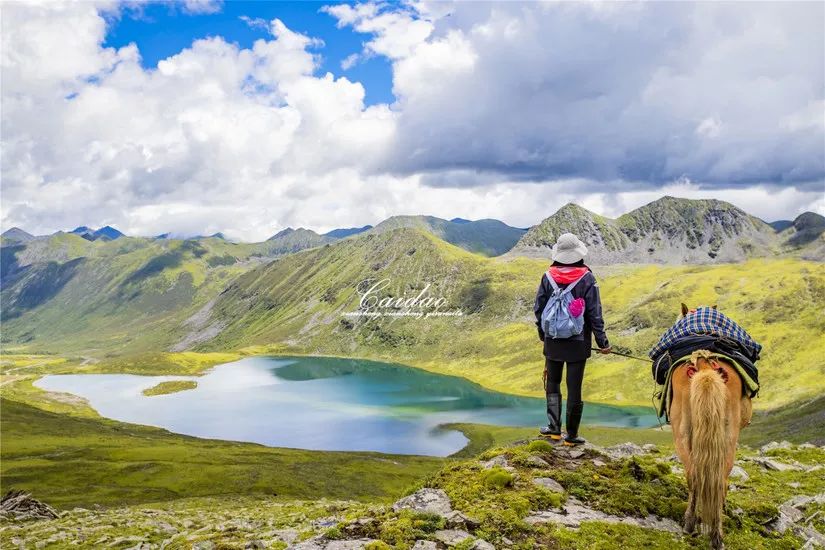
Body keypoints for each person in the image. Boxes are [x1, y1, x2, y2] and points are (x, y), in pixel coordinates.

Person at [533, 233, 610, 446]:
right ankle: (572, 436)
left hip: (553, 339)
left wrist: (543, 334)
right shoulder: (587, 278)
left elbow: (539, 308)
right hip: (578, 342)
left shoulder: (547, 276)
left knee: (554, 383)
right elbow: (595, 313)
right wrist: (602, 342)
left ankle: (554, 429)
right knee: (574, 387)